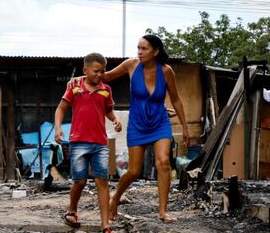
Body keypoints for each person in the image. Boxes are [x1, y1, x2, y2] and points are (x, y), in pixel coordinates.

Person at [71, 34, 190, 222]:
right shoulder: (131, 65)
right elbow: (105, 77)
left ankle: (163, 211)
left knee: (163, 162)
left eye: (144, 49)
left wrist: (184, 127)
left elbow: (175, 99)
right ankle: (115, 198)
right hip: (137, 124)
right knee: (134, 171)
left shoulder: (166, 71)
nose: (139, 52)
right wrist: (81, 78)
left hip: (160, 122)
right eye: (138, 48)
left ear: (155, 51)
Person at [55, 53, 123, 233]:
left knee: (102, 181)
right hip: (78, 142)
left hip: (100, 143)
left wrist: (115, 119)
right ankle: (72, 210)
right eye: (96, 71)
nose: (100, 75)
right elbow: (61, 108)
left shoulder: (106, 89)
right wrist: (58, 129)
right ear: (85, 70)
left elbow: (108, 111)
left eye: (102, 71)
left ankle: (105, 225)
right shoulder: (75, 87)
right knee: (80, 181)